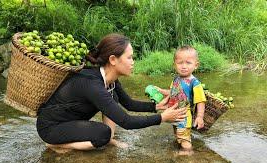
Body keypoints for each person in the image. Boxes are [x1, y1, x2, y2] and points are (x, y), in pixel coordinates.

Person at [36, 33, 187, 153]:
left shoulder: (109, 80)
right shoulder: (92, 84)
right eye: (129, 57)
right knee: (102, 134)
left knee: (112, 96)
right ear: (113, 59)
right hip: (51, 127)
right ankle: (57, 145)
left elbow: (128, 104)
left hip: (69, 121)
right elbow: (126, 122)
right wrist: (162, 118)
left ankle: (108, 139)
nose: (133, 61)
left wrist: (156, 107)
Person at [156, 45, 206, 155]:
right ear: (175, 64)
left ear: (196, 65)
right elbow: (172, 92)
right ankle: (182, 145)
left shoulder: (195, 83)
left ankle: (187, 152)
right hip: (174, 113)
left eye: (188, 63)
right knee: (178, 134)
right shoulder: (176, 79)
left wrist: (200, 117)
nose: (184, 66)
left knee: (184, 138)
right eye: (180, 63)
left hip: (184, 115)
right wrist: (161, 91)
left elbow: (200, 101)